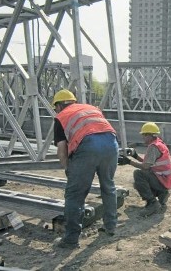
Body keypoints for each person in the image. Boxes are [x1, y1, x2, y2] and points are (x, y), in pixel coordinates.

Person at [52, 89, 118, 249]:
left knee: (75, 195)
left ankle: (71, 240)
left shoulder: (61, 117)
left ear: (60, 105)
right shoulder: (91, 108)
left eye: (55, 108)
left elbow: (62, 151)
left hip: (88, 147)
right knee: (108, 187)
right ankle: (111, 226)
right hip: (111, 144)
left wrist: (68, 169)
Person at [125, 122, 171, 216]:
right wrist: (135, 156)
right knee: (143, 176)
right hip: (165, 180)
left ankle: (152, 204)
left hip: (162, 181)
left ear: (149, 135)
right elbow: (149, 162)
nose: (142, 137)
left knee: (138, 175)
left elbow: (145, 166)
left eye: (144, 135)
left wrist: (128, 162)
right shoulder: (159, 144)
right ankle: (162, 194)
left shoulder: (153, 147)